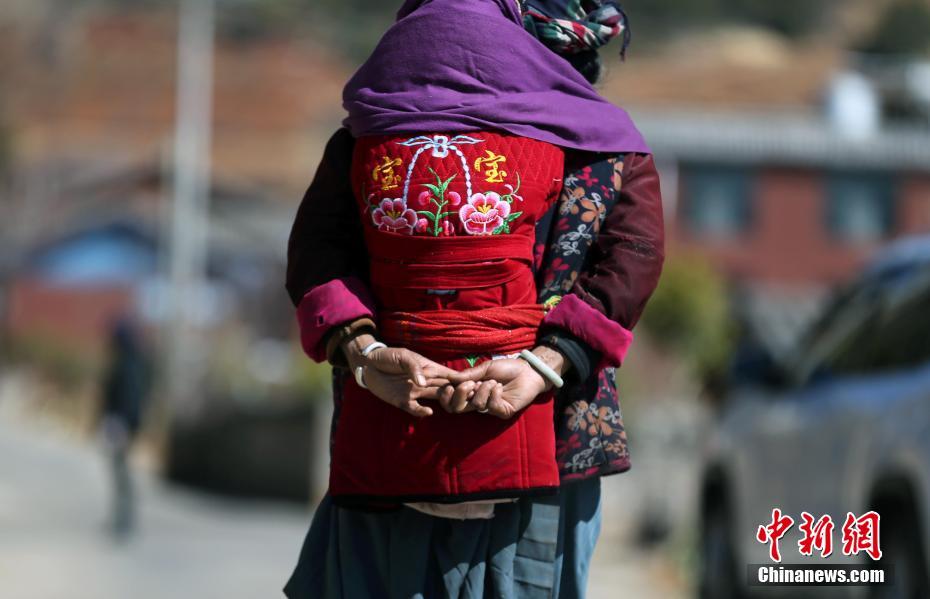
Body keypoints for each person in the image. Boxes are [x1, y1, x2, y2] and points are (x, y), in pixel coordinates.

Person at [284, 0, 664, 596]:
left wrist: (362, 355)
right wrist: (545, 366)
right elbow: (631, 263)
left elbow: (317, 256)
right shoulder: (607, 150)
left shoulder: (368, 135)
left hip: (388, 435)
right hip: (552, 444)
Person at [98, 318, 152, 539]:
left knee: (121, 472)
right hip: (125, 423)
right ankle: (121, 517)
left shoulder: (129, 363)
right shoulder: (133, 361)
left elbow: (129, 399)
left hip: (123, 424)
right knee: (119, 472)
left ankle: (124, 519)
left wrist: (122, 424)